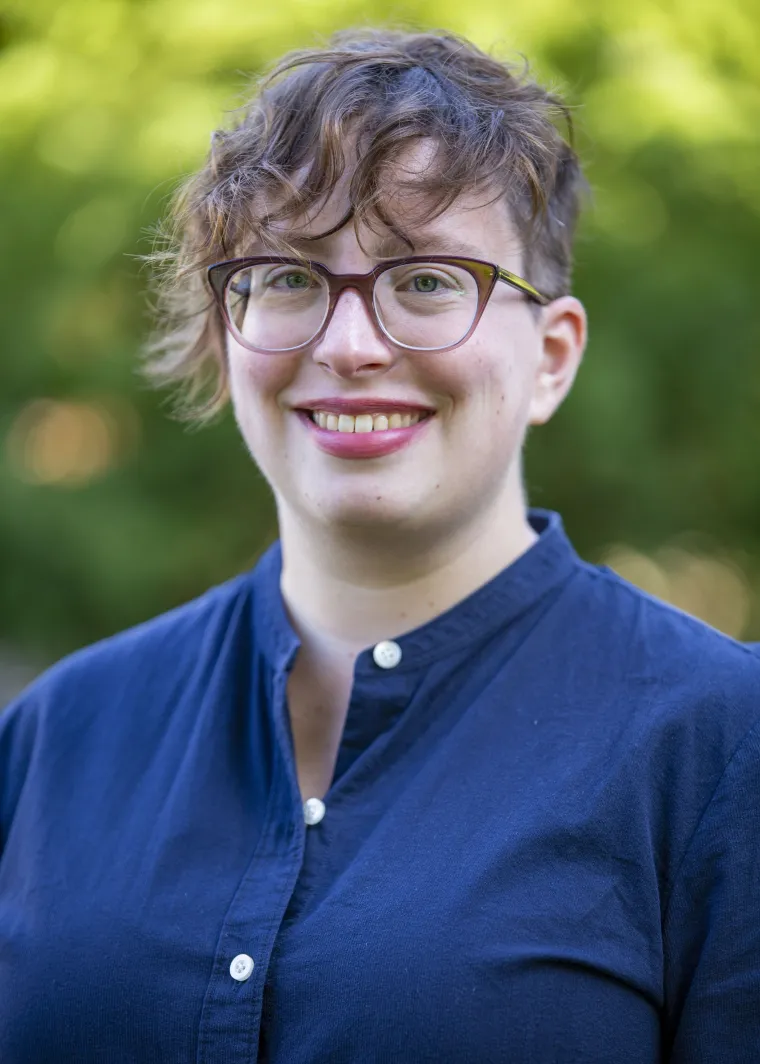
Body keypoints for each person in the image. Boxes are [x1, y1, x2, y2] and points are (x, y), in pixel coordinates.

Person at [1, 25, 758, 1064]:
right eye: (289, 278)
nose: (349, 345)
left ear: (551, 356)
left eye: (428, 280)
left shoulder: (720, 745)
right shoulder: (57, 736)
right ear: (229, 337)